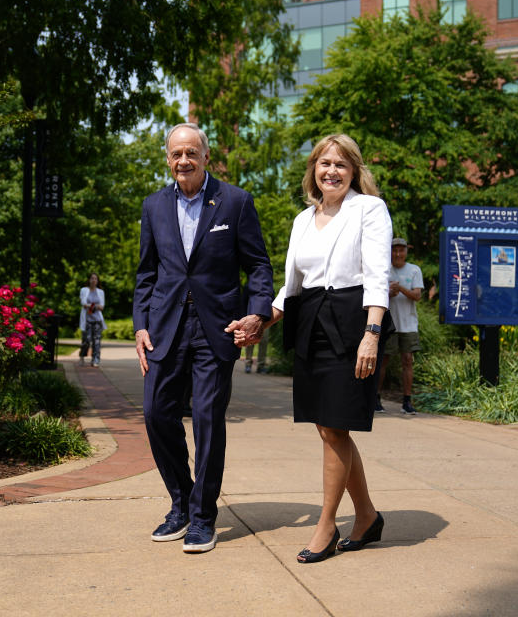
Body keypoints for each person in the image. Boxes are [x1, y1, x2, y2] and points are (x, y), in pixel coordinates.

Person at [235, 133, 392, 564]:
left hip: (353, 320)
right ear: (313, 170)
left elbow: (378, 275)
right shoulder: (303, 219)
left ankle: (327, 524)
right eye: (324, 163)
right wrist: (261, 319)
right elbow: (292, 286)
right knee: (327, 428)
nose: (332, 171)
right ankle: (367, 516)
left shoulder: (369, 209)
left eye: (341, 164)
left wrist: (372, 334)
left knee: (336, 426)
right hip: (311, 325)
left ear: (354, 171)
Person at [134, 123, 273, 554]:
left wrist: (257, 312)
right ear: (167, 158)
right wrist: (140, 324)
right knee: (157, 413)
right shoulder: (154, 206)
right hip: (164, 328)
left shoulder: (235, 201)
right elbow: (146, 273)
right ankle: (181, 502)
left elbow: (260, 267)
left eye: (191, 153)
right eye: (176, 154)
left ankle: (203, 518)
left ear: (206, 156)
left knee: (208, 421)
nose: (183, 161)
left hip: (217, 329)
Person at [378, 238, 423, 414]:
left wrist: (401, 289)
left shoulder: (414, 270)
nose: (397, 254)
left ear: (406, 252)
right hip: (388, 323)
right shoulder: (383, 270)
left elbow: (417, 295)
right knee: (383, 361)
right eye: (394, 250)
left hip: (408, 324)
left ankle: (407, 400)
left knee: (407, 361)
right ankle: (376, 397)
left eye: (401, 250)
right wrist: (389, 292)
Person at [79, 273, 105, 367]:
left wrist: (92, 306)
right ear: (89, 280)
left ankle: (96, 359)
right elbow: (83, 303)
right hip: (87, 320)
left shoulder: (100, 292)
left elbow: (102, 306)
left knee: (97, 341)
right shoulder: (84, 290)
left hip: (97, 320)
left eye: (95, 279)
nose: (94, 280)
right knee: (86, 339)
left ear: (97, 281)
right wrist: (94, 306)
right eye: (92, 278)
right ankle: (82, 355)